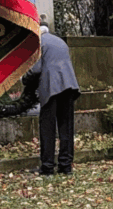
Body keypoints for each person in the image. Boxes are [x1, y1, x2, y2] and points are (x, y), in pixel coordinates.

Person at [27, 21, 80, 176]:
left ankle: (47, 166)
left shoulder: (38, 42)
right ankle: (66, 165)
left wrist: (24, 79)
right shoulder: (60, 41)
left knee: (48, 128)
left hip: (51, 88)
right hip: (69, 85)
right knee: (66, 127)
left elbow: (36, 69)